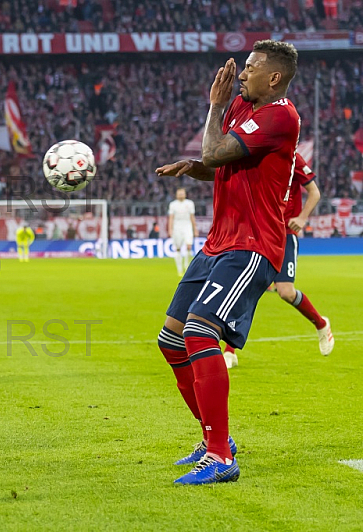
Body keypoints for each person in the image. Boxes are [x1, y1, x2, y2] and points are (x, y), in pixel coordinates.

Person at [154, 41, 300, 484]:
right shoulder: (243, 105)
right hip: (219, 242)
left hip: (253, 245)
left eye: (251, 67)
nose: (242, 74)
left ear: (273, 77)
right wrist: (195, 167)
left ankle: (220, 457)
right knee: (171, 339)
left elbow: (217, 151)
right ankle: (214, 438)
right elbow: (220, 164)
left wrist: (213, 108)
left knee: (200, 330)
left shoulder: (280, 115)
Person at [223, 153, 334, 369]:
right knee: (246, 288)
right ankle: (230, 350)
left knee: (286, 292)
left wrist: (302, 218)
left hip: (285, 234)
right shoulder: (258, 157)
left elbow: (314, 192)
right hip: (261, 233)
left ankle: (321, 324)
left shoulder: (294, 159)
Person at [168, 188, 198, 276]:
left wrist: (195, 229)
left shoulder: (190, 203)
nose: (181, 195)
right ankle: (179, 268)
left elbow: (192, 217)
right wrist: (170, 229)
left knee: (189, 246)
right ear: (176, 195)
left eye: (182, 193)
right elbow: (171, 218)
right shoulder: (173, 204)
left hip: (187, 226)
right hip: (177, 227)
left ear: (185, 194)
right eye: (179, 193)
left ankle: (186, 265)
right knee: (177, 248)